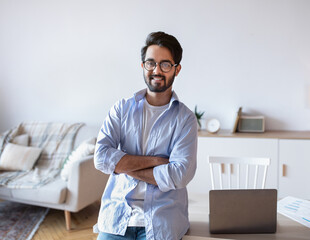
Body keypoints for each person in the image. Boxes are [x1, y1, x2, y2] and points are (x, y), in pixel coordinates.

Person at [93, 31, 198, 240]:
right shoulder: (121, 109)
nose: (156, 70)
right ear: (143, 66)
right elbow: (101, 158)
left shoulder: (185, 119)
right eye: (151, 63)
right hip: (116, 216)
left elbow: (179, 175)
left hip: (163, 221)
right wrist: (156, 162)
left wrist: (123, 165)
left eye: (165, 64)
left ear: (177, 69)